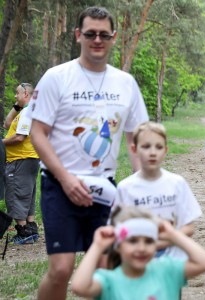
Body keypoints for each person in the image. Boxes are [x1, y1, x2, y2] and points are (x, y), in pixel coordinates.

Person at [28, 7, 149, 300]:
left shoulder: (125, 83)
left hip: (106, 188)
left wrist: (141, 185)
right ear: (78, 35)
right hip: (60, 185)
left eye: (104, 35)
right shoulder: (57, 77)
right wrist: (66, 179)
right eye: (91, 34)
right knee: (61, 269)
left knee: (109, 266)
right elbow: (37, 133)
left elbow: (137, 138)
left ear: (114, 38)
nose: (97, 40)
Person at [71, 206, 205, 299]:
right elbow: (79, 287)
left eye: (149, 241)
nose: (141, 248)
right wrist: (97, 246)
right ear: (119, 245)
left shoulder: (165, 270)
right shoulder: (109, 280)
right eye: (132, 241)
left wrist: (172, 235)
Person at [113, 121, 202, 259]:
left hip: (172, 262)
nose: (153, 153)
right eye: (146, 146)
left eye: (159, 147)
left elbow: (189, 227)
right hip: (137, 261)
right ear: (134, 149)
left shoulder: (176, 183)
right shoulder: (125, 188)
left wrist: (162, 242)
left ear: (165, 150)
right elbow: (117, 229)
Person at [2, 83, 40, 244]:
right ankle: (31, 228)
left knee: (15, 193)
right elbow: (7, 124)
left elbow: (19, 137)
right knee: (27, 193)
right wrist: (17, 106)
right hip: (29, 158)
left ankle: (24, 233)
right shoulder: (27, 111)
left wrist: (0, 143)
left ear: (25, 93)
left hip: (21, 158)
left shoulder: (27, 112)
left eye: (17, 93)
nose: (15, 96)